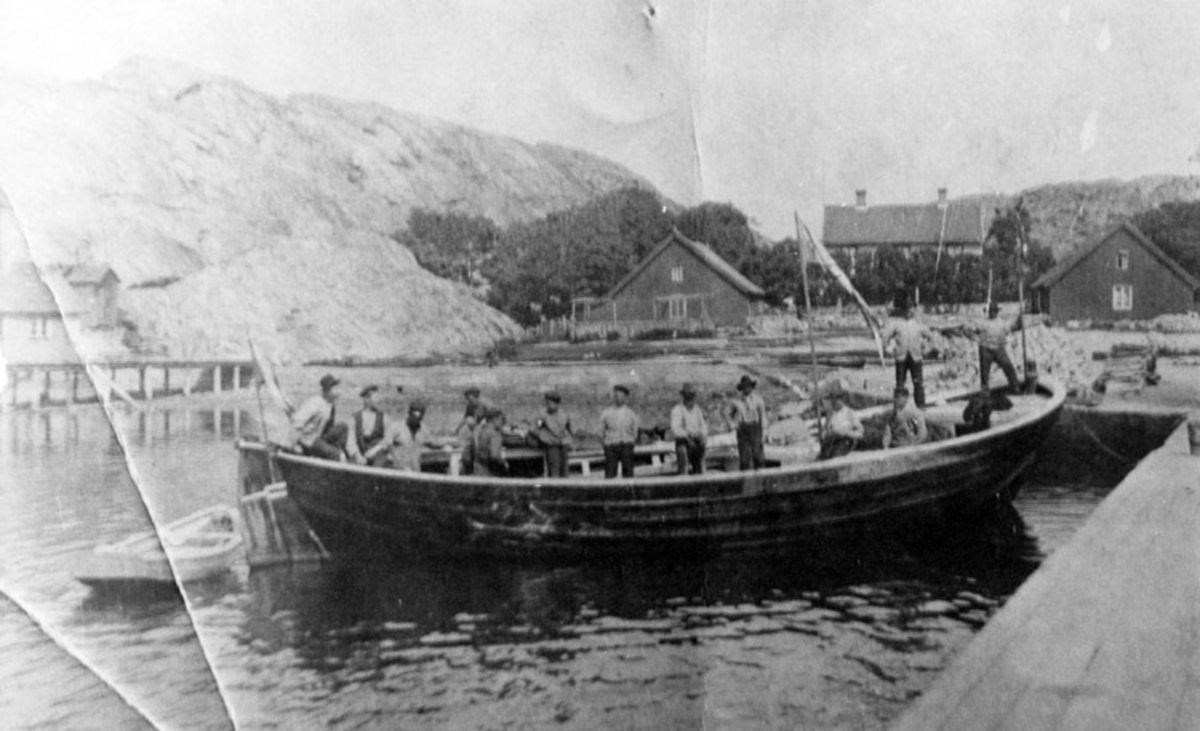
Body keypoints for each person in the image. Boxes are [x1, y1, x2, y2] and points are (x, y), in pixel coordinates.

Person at [290, 374, 349, 460]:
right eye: (335, 388)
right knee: (335, 454)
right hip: (308, 440)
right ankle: (335, 458)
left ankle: (338, 453)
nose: (339, 390)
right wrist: (293, 445)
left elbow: (329, 427)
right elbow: (298, 422)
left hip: (319, 437)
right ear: (327, 390)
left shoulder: (330, 404)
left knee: (343, 427)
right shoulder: (315, 403)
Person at [883, 305, 931, 408]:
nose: (908, 312)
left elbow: (930, 336)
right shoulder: (897, 324)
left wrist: (926, 348)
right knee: (900, 384)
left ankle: (921, 407)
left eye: (910, 309)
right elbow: (885, 337)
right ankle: (899, 408)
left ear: (914, 310)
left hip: (916, 358)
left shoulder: (918, 324)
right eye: (906, 309)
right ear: (902, 311)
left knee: (918, 383)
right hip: (901, 358)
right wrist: (888, 349)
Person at [970, 302, 1023, 393]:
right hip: (985, 349)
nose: (992, 313)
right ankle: (985, 393)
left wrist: (1020, 319)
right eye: (991, 311)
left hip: (999, 349)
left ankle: (1015, 388)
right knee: (984, 374)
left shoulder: (1002, 323)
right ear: (988, 312)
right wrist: (972, 335)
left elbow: (1015, 327)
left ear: (997, 312)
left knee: (1009, 368)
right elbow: (971, 330)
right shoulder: (983, 323)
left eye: (994, 311)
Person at [599, 385, 639, 479]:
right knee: (610, 473)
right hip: (611, 446)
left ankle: (628, 488)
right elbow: (600, 431)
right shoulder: (606, 413)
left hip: (626, 445)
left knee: (628, 472)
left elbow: (635, 430)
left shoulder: (630, 413)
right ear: (613, 397)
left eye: (621, 396)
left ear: (625, 398)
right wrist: (605, 444)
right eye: (616, 395)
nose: (618, 398)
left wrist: (631, 441)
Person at [388, 400, 439, 473]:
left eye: (419, 418)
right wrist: (399, 464)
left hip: (415, 471)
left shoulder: (423, 429)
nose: (416, 420)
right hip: (398, 471)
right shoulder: (396, 427)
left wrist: (445, 446)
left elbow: (432, 443)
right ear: (409, 413)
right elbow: (386, 446)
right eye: (414, 416)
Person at [532, 390, 573, 478]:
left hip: (563, 445)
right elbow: (536, 428)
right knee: (554, 470)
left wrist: (569, 441)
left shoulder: (564, 415)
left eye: (550, 403)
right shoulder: (543, 415)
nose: (548, 405)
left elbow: (568, 429)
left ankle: (566, 485)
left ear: (557, 404)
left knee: (565, 470)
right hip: (552, 446)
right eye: (547, 403)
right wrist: (544, 437)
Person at [670, 383, 708, 474]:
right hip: (684, 442)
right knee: (683, 461)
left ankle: (701, 476)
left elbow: (703, 426)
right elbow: (675, 430)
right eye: (688, 397)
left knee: (701, 465)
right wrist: (688, 433)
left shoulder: (697, 410)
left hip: (697, 442)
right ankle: (684, 477)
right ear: (684, 397)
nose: (690, 399)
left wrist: (701, 434)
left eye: (692, 396)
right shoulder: (677, 410)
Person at [731, 375, 767, 470]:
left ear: (751, 387)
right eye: (744, 387)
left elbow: (763, 416)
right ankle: (745, 477)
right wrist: (733, 424)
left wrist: (764, 432)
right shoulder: (737, 402)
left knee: (758, 456)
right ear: (742, 388)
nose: (746, 388)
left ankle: (761, 477)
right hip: (743, 431)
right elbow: (729, 414)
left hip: (755, 430)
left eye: (748, 386)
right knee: (744, 459)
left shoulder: (758, 400)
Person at [819, 383, 863, 460]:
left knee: (835, 456)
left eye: (837, 398)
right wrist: (825, 433)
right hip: (830, 445)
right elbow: (824, 433)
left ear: (843, 399)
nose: (834, 401)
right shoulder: (830, 414)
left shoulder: (850, 413)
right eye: (832, 398)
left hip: (844, 444)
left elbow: (860, 434)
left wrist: (846, 433)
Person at [353, 385, 388, 466]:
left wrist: (375, 450)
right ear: (366, 399)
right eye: (375, 397)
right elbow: (351, 440)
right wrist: (358, 456)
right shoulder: (355, 417)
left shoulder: (383, 417)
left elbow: (388, 439)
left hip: (377, 454)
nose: (378, 400)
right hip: (360, 454)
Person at [472, 408, 509, 477]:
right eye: (502, 420)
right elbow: (494, 456)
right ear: (495, 419)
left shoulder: (480, 430)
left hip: (478, 471)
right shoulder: (495, 434)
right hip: (490, 474)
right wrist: (504, 464)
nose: (503, 424)